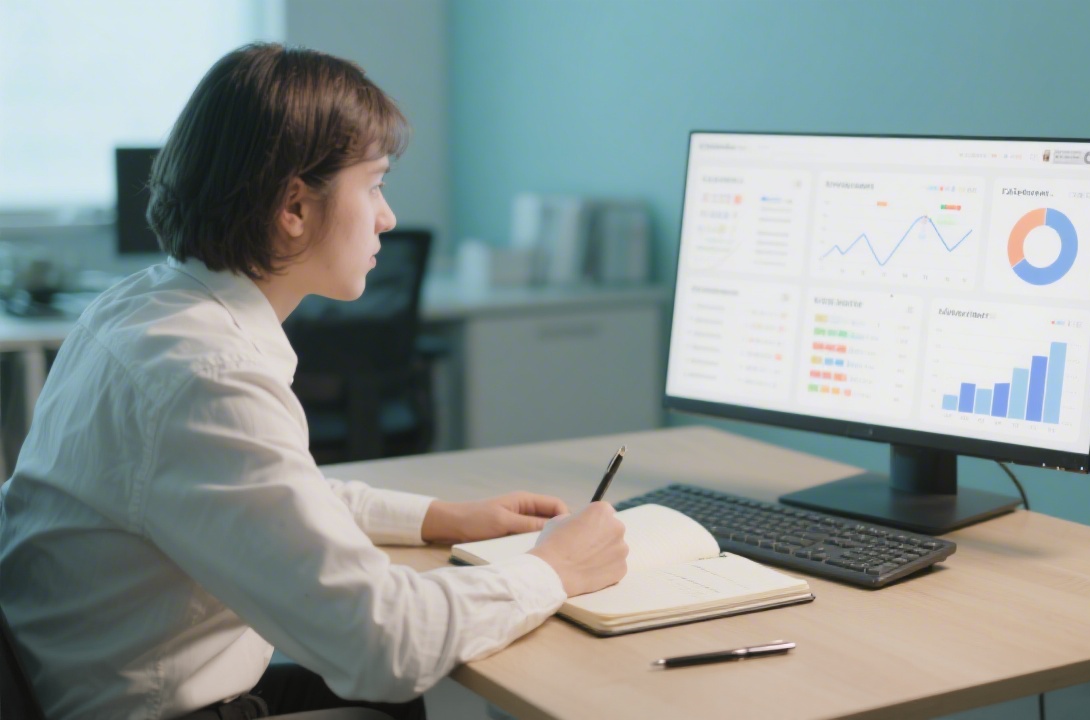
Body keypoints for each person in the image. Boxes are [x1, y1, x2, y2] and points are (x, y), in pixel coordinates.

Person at [0, 43, 629, 720]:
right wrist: (554, 569)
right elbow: (386, 646)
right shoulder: (207, 376)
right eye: (375, 184)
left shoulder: (139, 306)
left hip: (77, 687)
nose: (387, 217)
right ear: (295, 207)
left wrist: (439, 518)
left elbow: (266, 495)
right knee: (406, 691)